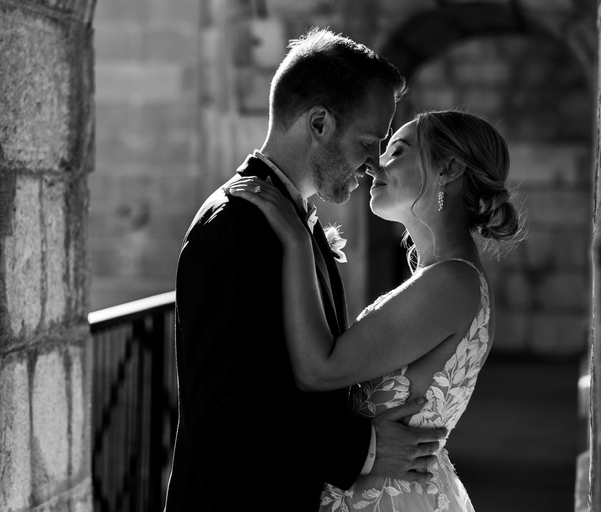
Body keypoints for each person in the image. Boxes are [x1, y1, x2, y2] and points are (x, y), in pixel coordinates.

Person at [164, 28, 447, 512]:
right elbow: (224, 412)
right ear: (319, 123)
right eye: (368, 141)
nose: (374, 164)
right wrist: (364, 449)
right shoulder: (235, 226)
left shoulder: (288, 219)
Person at [227, 109, 522, 511]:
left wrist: (297, 243)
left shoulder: (451, 283)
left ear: (449, 168)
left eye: (397, 150)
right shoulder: (450, 277)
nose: (374, 164)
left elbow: (319, 370)